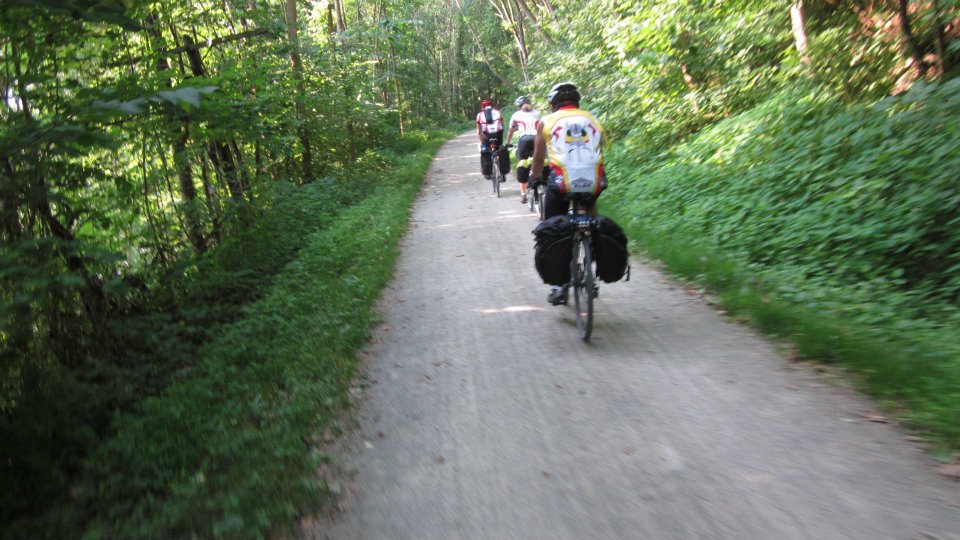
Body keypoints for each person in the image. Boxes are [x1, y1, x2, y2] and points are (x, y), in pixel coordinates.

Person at [530, 82, 607, 305]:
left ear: (554, 104)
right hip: (593, 181)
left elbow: (538, 157)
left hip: (561, 183)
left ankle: (558, 285)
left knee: (553, 228)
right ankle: (592, 244)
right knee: (591, 211)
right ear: (577, 102)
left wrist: (534, 178)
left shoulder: (547, 121)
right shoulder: (591, 118)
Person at [505, 95, 541, 204]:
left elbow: (511, 132)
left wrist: (507, 143)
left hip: (524, 141)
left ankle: (523, 194)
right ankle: (541, 183)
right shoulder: (538, 113)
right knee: (540, 161)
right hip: (537, 140)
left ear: (518, 106)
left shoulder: (516, 115)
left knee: (522, 164)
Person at [476, 99, 510, 182]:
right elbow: (502, 125)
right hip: (498, 135)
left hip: (487, 136)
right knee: (500, 149)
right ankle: (503, 174)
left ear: (482, 107)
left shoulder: (479, 115)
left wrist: (482, 142)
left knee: (485, 150)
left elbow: (479, 131)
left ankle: (487, 173)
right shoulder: (497, 112)